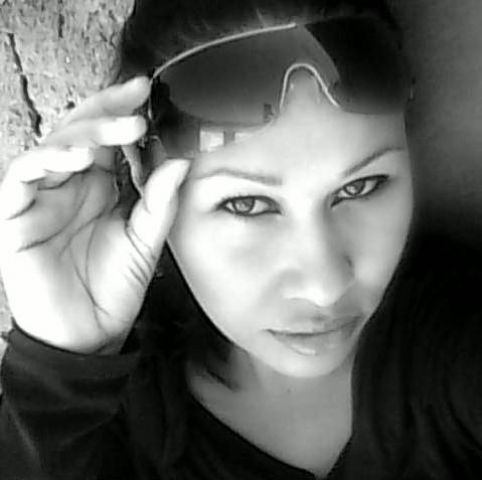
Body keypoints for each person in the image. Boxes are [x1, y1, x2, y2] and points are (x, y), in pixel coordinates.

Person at [1, 0, 482, 479]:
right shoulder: (114, 424)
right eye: (248, 205)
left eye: (361, 187)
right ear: (143, 173)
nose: (325, 287)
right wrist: (58, 378)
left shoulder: (454, 339)